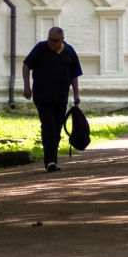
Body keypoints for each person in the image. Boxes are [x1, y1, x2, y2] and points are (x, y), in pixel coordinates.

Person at [21, 26, 83, 173]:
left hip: (61, 97)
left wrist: (76, 94)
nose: (51, 42)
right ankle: (50, 161)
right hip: (42, 96)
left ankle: (52, 160)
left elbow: (74, 75)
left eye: (55, 40)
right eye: (50, 39)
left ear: (62, 40)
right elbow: (26, 65)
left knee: (57, 128)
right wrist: (26, 86)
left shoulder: (69, 51)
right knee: (48, 125)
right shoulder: (41, 48)